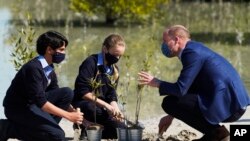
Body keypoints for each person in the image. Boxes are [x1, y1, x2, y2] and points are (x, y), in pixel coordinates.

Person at [138, 25, 250, 141]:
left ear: (176, 39)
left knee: (169, 103)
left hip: (230, 106)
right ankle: (214, 133)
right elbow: (190, 87)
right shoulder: (193, 49)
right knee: (172, 103)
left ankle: (218, 134)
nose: (163, 45)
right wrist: (172, 116)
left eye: (165, 41)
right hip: (233, 103)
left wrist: (157, 82)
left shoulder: (191, 53)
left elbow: (180, 89)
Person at [0, 31, 83, 141]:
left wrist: (72, 110)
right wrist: (69, 116)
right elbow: (41, 102)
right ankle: (7, 128)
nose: (64, 53)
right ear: (49, 50)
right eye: (61, 50)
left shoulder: (49, 67)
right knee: (57, 136)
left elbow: (55, 91)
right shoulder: (33, 68)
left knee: (67, 93)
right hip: (18, 108)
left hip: (33, 105)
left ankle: (45, 129)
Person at [72, 33, 126, 139]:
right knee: (92, 109)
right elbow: (82, 92)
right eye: (115, 54)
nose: (117, 58)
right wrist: (106, 106)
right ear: (105, 49)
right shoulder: (90, 63)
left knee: (121, 130)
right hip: (85, 103)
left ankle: (94, 130)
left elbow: (111, 94)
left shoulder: (114, 70)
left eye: (120, 55)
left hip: (102, 107)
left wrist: (115, 109)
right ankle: (83, 125)